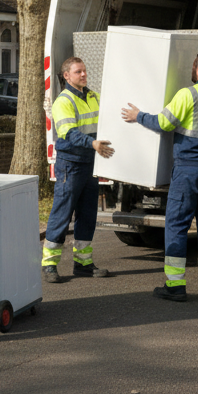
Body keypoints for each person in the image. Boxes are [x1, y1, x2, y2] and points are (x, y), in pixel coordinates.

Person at [122, 51, 198, 302]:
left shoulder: (188, 94)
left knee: (177, 225)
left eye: (193, 67)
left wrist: (137, 116)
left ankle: (175, 285)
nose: (192, 71)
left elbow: (163, 123)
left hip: (188, 169)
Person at [43, 56, 115, 283]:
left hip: (90, 164)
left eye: (84, 71)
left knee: (87, 215)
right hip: (70, 164)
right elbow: (69, 133)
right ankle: (49, 265)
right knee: (62, 214)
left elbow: (109, 115)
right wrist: (93, 144)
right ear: (66, 76)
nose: (83, 75)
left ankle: (83, 264)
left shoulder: (93, 96)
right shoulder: (63, 101)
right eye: (78, 72)